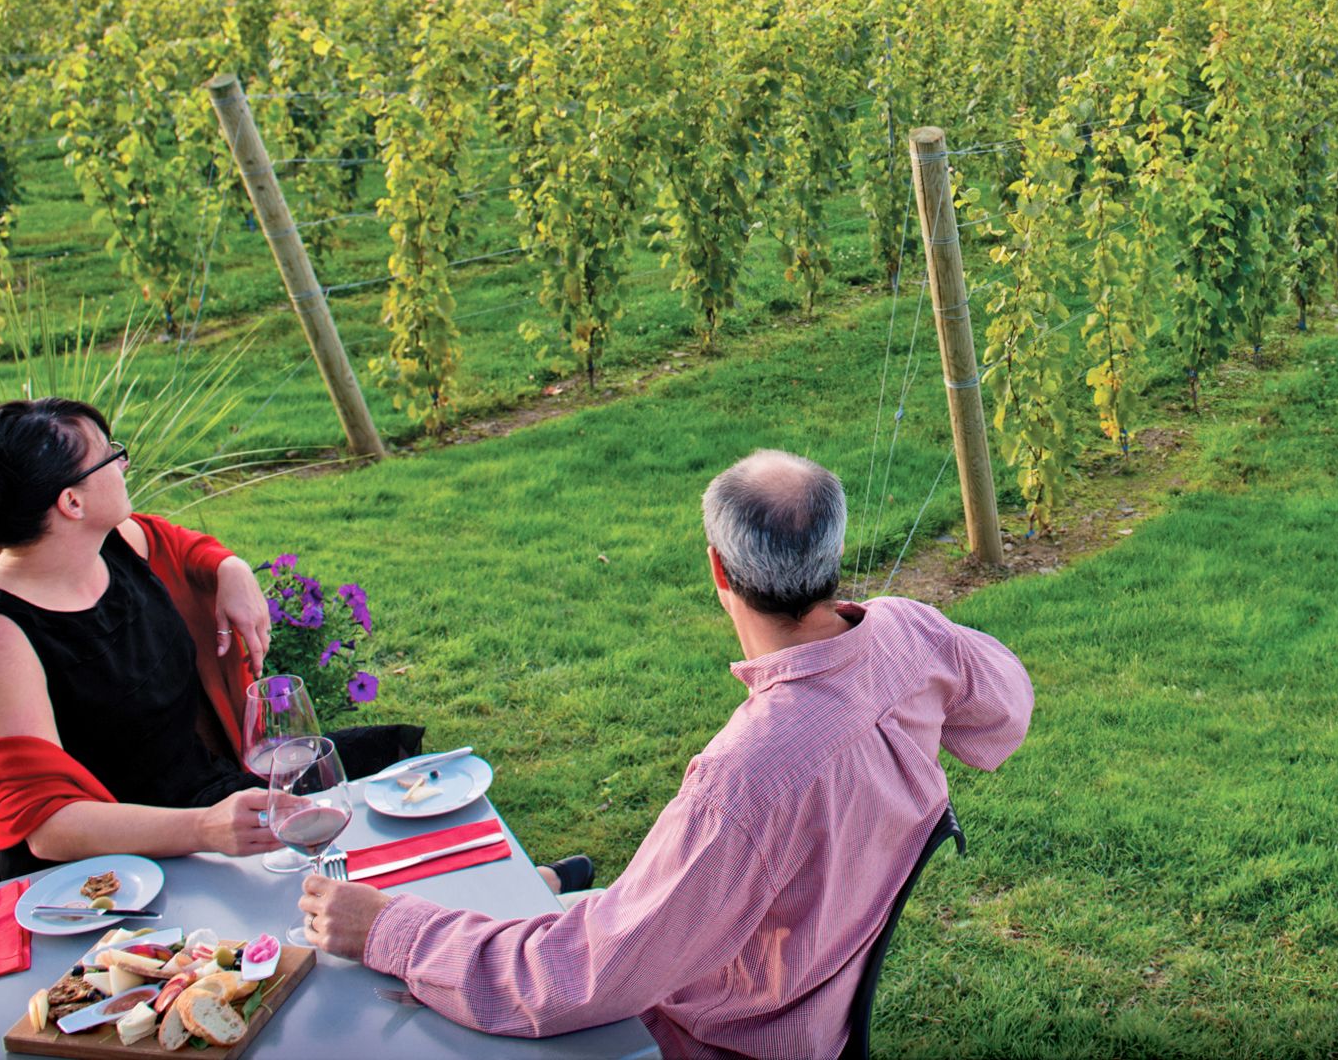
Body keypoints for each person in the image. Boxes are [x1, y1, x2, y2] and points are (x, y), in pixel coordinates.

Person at [300, 448, 1034, 1059]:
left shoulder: (743, 779)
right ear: (832, 555)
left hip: (720, 1035)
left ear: (718, 571)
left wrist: (389, 930)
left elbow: (583, 979)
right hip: (803, 988)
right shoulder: (909, 632)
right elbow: (1003, 714)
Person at [0, 397, 420, 871]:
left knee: (401, 785)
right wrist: (204, 829)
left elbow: (182, 548)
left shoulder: (113, 543)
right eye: (110, 456)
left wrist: (231, 569)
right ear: (72, 502)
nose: (123, 466)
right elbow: (49, 826)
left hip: (208, 793)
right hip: (117, 866)